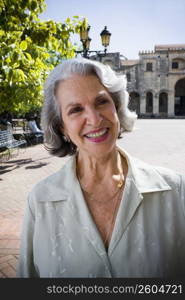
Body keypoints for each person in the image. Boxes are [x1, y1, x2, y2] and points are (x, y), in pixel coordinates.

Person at [17, 58, 185, 278]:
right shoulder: (40, 201)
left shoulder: (175, 190)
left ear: (116, 107)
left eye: (101, 102)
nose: (95, 120)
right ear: (62, 128)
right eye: (76, 109)